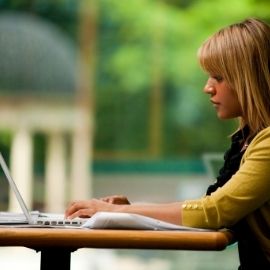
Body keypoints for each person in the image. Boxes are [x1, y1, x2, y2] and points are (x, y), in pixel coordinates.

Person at [65, 18, 270, 269]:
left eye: (218, 77)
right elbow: (208, 208)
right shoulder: (248, 139)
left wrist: (119, 214)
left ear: (248, 79)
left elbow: (215, 211)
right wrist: (136, 211)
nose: (207, 88)